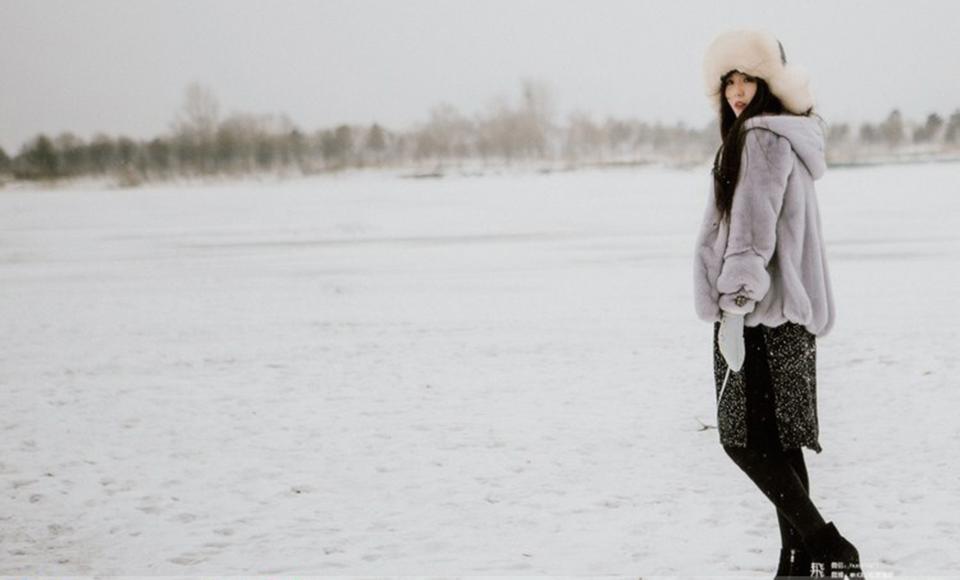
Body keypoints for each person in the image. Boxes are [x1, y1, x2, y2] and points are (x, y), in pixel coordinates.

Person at [693, 29, 866, 579]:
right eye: (729, 83)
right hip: (788, 316)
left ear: (769, 84)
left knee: (740, 439)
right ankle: (798, 563)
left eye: (748, 80)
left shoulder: (761, 139)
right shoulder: (781, 136)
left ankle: (827, 546)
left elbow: (751, 234)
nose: (738, 92)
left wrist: (735, 308)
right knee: (778, 443)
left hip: (760, 315)